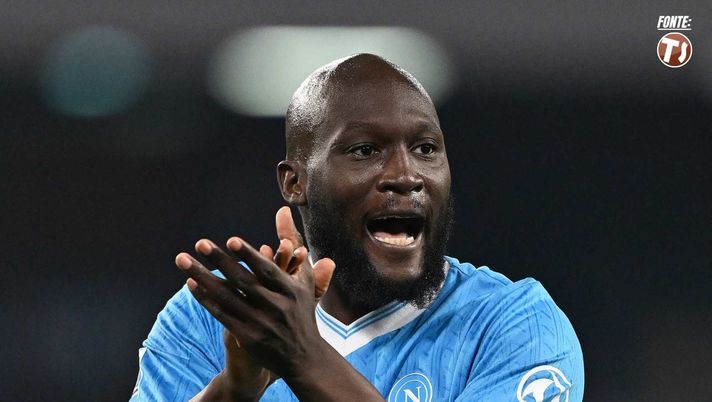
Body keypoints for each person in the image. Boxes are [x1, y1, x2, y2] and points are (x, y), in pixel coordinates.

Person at [130, 53, 584, 401]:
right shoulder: (214, 316)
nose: (405, 175)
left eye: (426, 149)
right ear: (295, 182)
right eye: (365, 150)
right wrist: (232, 392)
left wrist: (302, 356)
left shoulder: (515, 324)